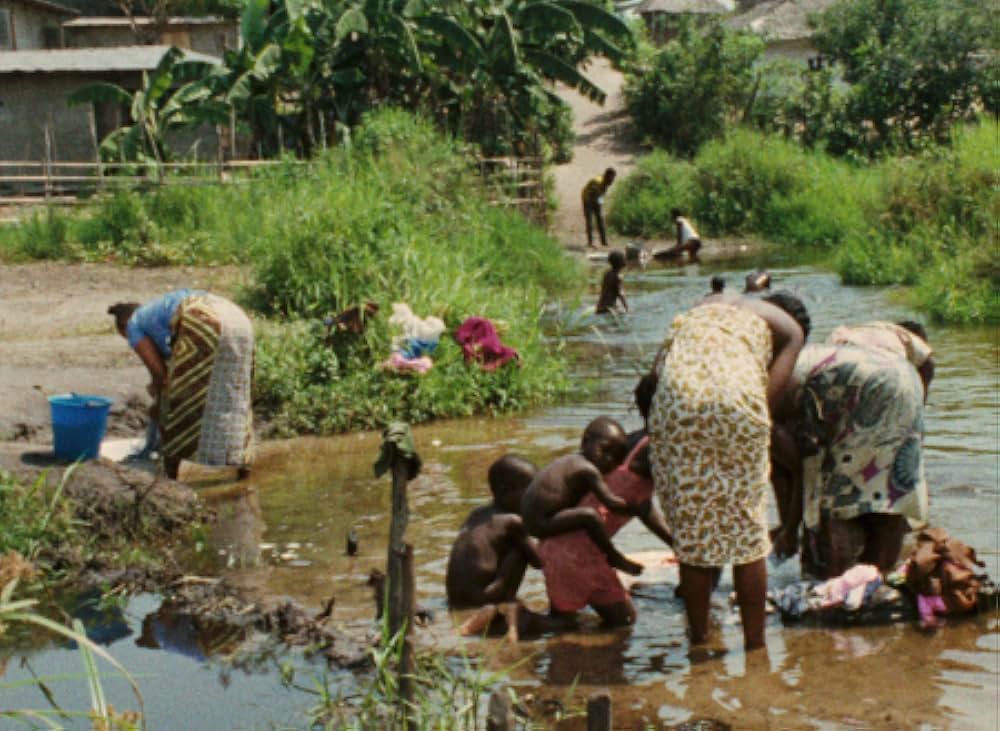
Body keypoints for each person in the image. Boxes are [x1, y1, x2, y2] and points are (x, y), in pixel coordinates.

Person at [647, 290, 810, 650]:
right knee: (748, 535)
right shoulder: (784, 324)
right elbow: (790, 349)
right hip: (738, 400)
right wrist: (756, 412)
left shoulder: (696, 309)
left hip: (678, 401)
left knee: (692, 532)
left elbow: (654, 377)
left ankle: (699, 640)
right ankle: (755, 647)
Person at [770, 321, 934, 580]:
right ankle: (880, 578)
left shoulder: (764, 403)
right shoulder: (816, 355)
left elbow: (796, 474)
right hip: (905, 380)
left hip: (861, 391)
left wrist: (790, 530)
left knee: (836, 498)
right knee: (888, 495)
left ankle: (833, 580)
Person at [536, 375, 673, 627]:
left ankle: (513, 619)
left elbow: (641, 506)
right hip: (578, 551)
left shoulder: (629, 443)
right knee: (623, 622)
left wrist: (676, 544)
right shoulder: (654, 449)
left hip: (559, 545)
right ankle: (517, 618)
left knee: (562, 624)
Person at [108, 289, 254, 479]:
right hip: (238, 318)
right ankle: (244, 471)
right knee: (235, 393)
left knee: (175, 403)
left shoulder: (134, 325)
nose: (132, 342)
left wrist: (158, 400)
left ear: (124, 327)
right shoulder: (157, 314)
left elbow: (160, 375)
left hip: (204, 319)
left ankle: (170, 478)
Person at [521, 417, 643, 576]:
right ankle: (613, 555)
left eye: (615, 457)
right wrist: (637, 508)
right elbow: (611, 503)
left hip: (534, 519)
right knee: (590, 516)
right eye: (605, 450)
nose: (608, 459)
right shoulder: (587, 469)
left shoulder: (571, 460)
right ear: (585, 442)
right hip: (541, 522)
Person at [445, 455, 543, 607]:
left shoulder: (477, 513)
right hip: (483, 600)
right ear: (506, 491)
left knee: (518, 543)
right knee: (522, 549)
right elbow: (539, 562)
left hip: (456, 600)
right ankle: (505, 601)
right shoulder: (512, 522)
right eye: (530, 491)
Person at [581, 167, 616, 248]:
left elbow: (601, 195)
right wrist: (597, 205)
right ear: (607, 175)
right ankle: (590, 242)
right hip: (587, 198)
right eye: (612, 178)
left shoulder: (606, 182)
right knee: (589, 220)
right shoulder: (597, 182)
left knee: (600, 219)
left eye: (613, 178)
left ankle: (604, 242)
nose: (612, 180)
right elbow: (592, 195)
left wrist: (600, 205)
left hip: (596, 198)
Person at [596, 250, 629, 314]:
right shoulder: (618, 276)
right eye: (624, 259)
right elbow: (620, 293)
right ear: (620, 262)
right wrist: (627, 308)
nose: (626, 260)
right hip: (609, 309)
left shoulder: (607, 274)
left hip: (600, 307)